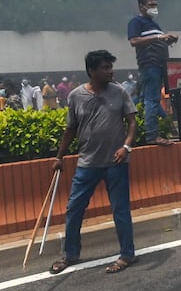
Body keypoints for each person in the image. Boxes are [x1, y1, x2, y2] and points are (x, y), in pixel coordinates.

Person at [48, 50, 138, 274]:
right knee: (74, 208)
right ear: (91, 71)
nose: (110, 71)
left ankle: (127, 254)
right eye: (105, 68)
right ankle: (70, 254)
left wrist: (125, 147)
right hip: (87, 163)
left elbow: (132, 123)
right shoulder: (76, 96)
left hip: (116, 163)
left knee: (120, 210)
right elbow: (71, 129)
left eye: (110, 67)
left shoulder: (120, 92)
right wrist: (59, 157)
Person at [127, 0, 178, 146]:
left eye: (155, 4)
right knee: (151, 100)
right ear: (141, 6)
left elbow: (158, 42)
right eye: (151, 5)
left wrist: (168, 40)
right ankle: (152, 136)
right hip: (149, 65)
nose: (154, 8)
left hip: (160, 65)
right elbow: (134, 41)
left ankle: (158, 127)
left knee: (147, 98)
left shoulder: (154, 25)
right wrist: (158, 37)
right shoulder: (136, 22)